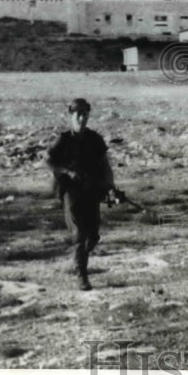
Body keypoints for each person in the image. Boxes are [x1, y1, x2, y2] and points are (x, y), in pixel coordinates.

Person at [46, 98, 116, 290]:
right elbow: (49, 162)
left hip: (91, 190)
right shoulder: (63, 139)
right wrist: (67, 171)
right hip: (71, 191)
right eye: (78, 114)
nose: (82, 118)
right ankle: (82, 276)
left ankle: (81, 254)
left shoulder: (95, 139)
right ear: (71, 116)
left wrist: (110, 186)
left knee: (93, 235)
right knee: (79, 233)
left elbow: (105, 165)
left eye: (85, 114)